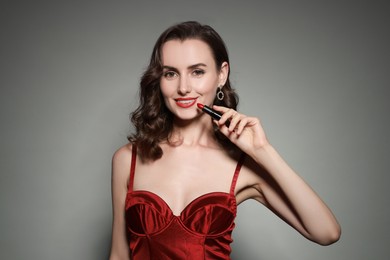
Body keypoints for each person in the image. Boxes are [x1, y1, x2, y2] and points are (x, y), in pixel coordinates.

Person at [109, 21, 341, 260]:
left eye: (197, 72)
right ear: (159, 80)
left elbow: (326, 233)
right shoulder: (128, 159)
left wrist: (264, 151)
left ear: (221, 74)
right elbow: (118, 254)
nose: (184, 87)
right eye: (170, 73)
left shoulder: (244, 166)